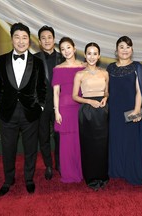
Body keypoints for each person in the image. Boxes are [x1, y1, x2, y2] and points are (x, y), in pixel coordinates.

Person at [0, 22, 46, 196]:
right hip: (7, 113)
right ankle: (8, 180)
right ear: (12, 39)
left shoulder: (37, 61)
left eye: (24, 38)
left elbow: (42, 87)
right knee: (8, 149)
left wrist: (41, 106)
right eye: (17, 37)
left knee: (30, 148)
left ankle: (29, 179)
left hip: (30, 112)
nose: (21, 41)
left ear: (29, 41)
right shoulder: (1, 60)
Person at [107, 36, 142, 185]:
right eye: (121, 47)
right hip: (114, 109)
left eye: (128, 47)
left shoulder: (137, 66)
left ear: (132, 50)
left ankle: (130, 171)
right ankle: (116, 170)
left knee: (130, 141)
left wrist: (136, 110)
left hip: (130, 109)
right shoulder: (110, 67)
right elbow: (106, 89)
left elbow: (140, 90)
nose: (125, 50)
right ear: (116, 51)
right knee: (115, 140)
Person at [72, 42, 109, 190]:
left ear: (99, 56)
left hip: (103, 110)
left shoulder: (105, 73)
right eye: (89, 53)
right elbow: (75, 96)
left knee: (102, 145)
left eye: (95, 53)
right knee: (89, 145)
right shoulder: (80, 74)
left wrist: (106, 97)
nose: (92, 57)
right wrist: (89, 101)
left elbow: (107, 91)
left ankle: (103, 176)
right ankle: (91, 177)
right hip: (87, 111)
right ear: (85, 55)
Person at [52, 37, 84, 183]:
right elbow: (56, 93)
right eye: (63, 49)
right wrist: (56, 111)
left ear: (74, 48)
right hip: (65, 109)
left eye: (68, 47)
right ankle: (68, 173)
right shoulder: (58, 69)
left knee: (81, 140)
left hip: (81, 107)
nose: (66, 51)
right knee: (67, 143)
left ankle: (83, 171)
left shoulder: (84, 66)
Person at [35, 25, 64, 180]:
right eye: (43, 38)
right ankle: (48, 165)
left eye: (49, 37)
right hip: (42, 106)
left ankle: (60, 163)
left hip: (60, 106)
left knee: (59, 136)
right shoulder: (34, 58)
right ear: (39, 41)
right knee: (43, 136)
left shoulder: (63, 58)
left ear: (54, 39)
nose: (47, 40)